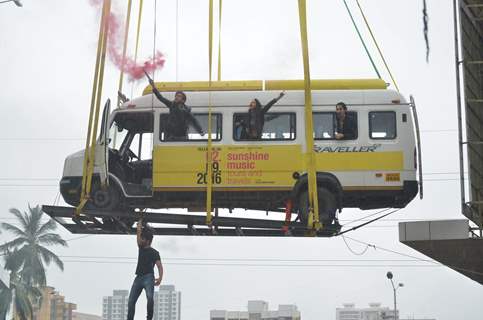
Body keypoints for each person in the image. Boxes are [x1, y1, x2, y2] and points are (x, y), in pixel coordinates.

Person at [145, 72, 204, 140]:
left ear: (183, 100)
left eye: (179, 96)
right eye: (176, 95)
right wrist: (153, 86)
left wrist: (200, 131)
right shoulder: (171, 105)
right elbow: (160, 98)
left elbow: (194, 120)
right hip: (172, 136)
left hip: (182, 137)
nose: (176, 97)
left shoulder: (187, 110)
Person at [127, 217, 163, 320]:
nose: (141, 240)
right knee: (131, 301)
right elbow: (138, 234)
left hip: (149, 277)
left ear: (147, 241)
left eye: (143, 239)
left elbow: (159, 266)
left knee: (150, 298)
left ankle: (149, 318)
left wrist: (160, 278)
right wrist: (140, 222)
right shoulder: (141, 247)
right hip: (138, 278)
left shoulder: (155, 253)